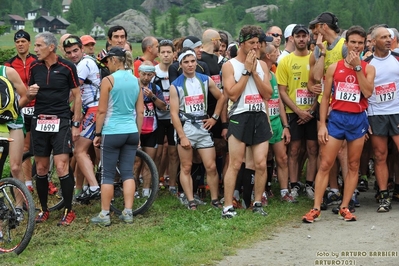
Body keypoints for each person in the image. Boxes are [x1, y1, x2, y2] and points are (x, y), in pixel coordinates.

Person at [302, 26, 375, 223]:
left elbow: (367, 93)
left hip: (357, 120)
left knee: (353, 165)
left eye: (360, 43)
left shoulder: (369, 68)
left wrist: (358, 67)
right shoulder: (335, 68)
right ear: (347, 43)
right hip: (337, 119)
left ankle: (345, 206)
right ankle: (315, 208)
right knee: (325, 163)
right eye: (353, 42)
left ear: (364, 45)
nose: (357, 46)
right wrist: (323, 125)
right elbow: (325, 98)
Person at [29, 32, 82, 226]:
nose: (35, 50)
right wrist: (28, 94)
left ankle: (69, 211)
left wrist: (76, 123)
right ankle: (44, 210)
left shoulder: (68, 67)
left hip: (61, 121)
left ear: (51, 47)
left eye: (38, 46)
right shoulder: (34, 67)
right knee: (41, 168)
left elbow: (77, 95)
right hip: (40, 121)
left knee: (61, 166)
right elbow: (28, 95)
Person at [221, 25, 273, 218]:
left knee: (260, 163)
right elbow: (232, 94)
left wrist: (255, 72)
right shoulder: (229, 65)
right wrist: (245, 72)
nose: (255, 47)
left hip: (259, 114)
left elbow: (267, 94)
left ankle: (257, 202)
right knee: (235, 163)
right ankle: (227, 206)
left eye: (257, 43)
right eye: (251, 43)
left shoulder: (263, 65)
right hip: (239, 116)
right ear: (241, 43)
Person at [91, 47, 144, 226]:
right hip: (130, 131)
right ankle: (128, 212)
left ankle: (105, 214)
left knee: (107, 174)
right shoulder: (136, 80)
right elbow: (140, 111)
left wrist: (97, 133)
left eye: (107, 61)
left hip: (113, 130)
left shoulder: (108, 80)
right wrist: (138, 134)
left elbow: (101, 111)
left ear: (115, 60)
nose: (106, 65)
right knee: (128, 173)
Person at [169, 47, 225, 210]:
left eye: (192, 61)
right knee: (186, 166)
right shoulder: (175, 85)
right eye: (186, 62)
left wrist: (214, 118)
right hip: (186, 127)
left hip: (203, 126)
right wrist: (182, 136)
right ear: (180, 65)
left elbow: (221, 97)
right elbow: (173, 113)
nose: (190, 65)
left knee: (211, 166)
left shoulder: (205, 79)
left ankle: (214, 200)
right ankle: (190, 200)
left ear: (197, 62)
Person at [276, 25, 318, 200]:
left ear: (308, 38)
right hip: (294, 111)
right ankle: (294, 185)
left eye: (304, 36)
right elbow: (282, 91)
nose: (301, 39)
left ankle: (309, 184)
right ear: (292, 38)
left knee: (313, 149)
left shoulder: (315, 59)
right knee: (294, 150)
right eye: (298, 36)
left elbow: (321, 87)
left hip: (312, 110)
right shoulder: (285, 61)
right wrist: (298, 111)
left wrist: (312, 109)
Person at [62, 35, 101, 201]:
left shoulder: (84, 64)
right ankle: (85, 186)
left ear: (82, 49)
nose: (73, 55)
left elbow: (73, 92)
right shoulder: (82, 63)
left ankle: (93, 187)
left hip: (94, 108)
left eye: (76, 50)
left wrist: (58, 106)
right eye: (69, 52)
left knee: (79, 150)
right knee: (86, 151)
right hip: (91, 108)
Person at [365, 26, 399, 212]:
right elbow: (363, 91)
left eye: (389, 37)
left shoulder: (397, 59)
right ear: (374, 41)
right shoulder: (367, 63)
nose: (388, 40)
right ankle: (384, 197)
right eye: (384, 37)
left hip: (397, 112)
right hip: (376, 113)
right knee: (380, 156)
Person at [260, 41, 295, 203]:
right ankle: (261, 193)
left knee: (282, 158)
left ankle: (284, 191)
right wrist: (266, 124)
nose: (278, 53)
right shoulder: (260, 75)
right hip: (263, 124)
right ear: (268, 55)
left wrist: (285, 125)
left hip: (277, 123)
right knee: (262, 160)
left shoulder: (273, 75)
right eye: (275, 51)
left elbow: (278, 101)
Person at [4, 30, 38, 193]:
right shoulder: (9, 64)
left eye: (23, 41)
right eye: (17, 42)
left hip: (37, 107)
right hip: (19, 108)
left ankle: (40, 177)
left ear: (29, 43)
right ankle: (28, 183)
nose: (20, 44)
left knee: (38, 146)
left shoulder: (37, 61)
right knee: (24, 147)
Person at [153, 39, 180, 194]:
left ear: (174, 54)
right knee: (156, 152)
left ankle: (172, 184)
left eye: (169, 52)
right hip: (157, 117)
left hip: (172, 117)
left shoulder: (177, 70)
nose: (166, 55)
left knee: (173, 152)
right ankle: (155, 182)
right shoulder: (154, 71)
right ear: (158, 54)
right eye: (162, 52)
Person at [138, 61, 167, 198]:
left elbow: (163, 106)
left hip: (152, 129)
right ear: (139, 73)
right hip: (136, 129)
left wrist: (152, 97)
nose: (146, 77)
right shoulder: (133, 86)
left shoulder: (155, 88)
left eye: (149, 75)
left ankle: (146, 190)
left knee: (149, 160)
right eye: (144, 74)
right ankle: (133, 190)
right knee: (136, 161)